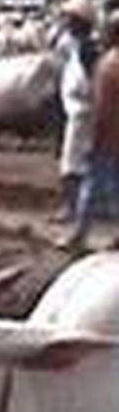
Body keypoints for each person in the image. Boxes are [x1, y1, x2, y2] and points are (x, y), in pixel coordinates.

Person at [60, 14, 119, 253]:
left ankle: (79, 235)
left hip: (108, 138)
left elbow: (102, 108)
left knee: (92, 187)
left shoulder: (108, 65)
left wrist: (93, 139)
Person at [52, 0, 99, 227]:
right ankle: (75, 209)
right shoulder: (78, 47)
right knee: (74, 165)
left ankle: (75, 211)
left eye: (71, 19)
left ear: (80, 22)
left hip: (83, 114)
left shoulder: (88, 50)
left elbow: (92, 84)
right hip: (76, 111)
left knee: (73, 167)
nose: (67, 22)